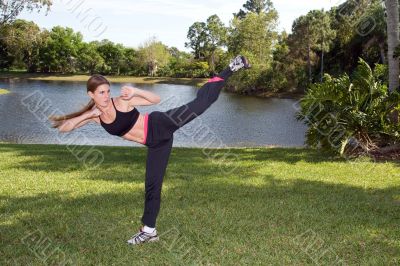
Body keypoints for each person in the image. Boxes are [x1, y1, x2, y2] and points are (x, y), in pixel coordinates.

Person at [50, 55, 251, 245]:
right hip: (157, 144)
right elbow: (65, 128)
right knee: (152, 186)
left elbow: (155, 100)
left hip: (159, 125)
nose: (105, 96)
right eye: (101, 93)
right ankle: (149, 231)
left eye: (107, 91)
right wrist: (87, 115)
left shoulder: (121, 101)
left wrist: (136, 91)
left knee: (201, 104)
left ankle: (229, 69)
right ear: (91, 94)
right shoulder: (95, 116)